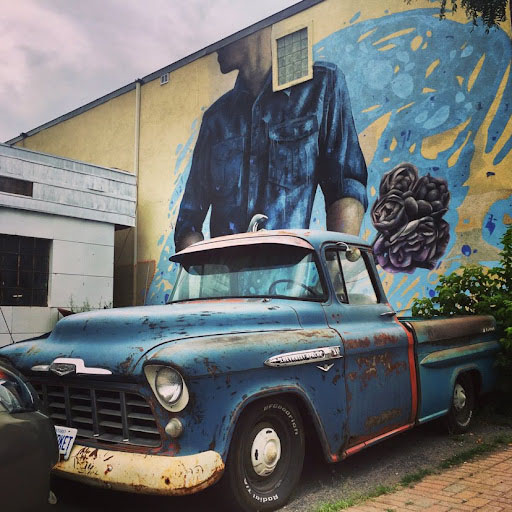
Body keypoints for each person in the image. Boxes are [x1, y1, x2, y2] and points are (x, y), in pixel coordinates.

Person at [174, 26, 367, 252]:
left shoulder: (321, 86)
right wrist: (204, 277)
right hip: (228, 283)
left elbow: (345, 188)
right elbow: (188, 222)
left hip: (291, 280)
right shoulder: (215, 120)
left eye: (222, 25)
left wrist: (335, 268)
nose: (214, 44)